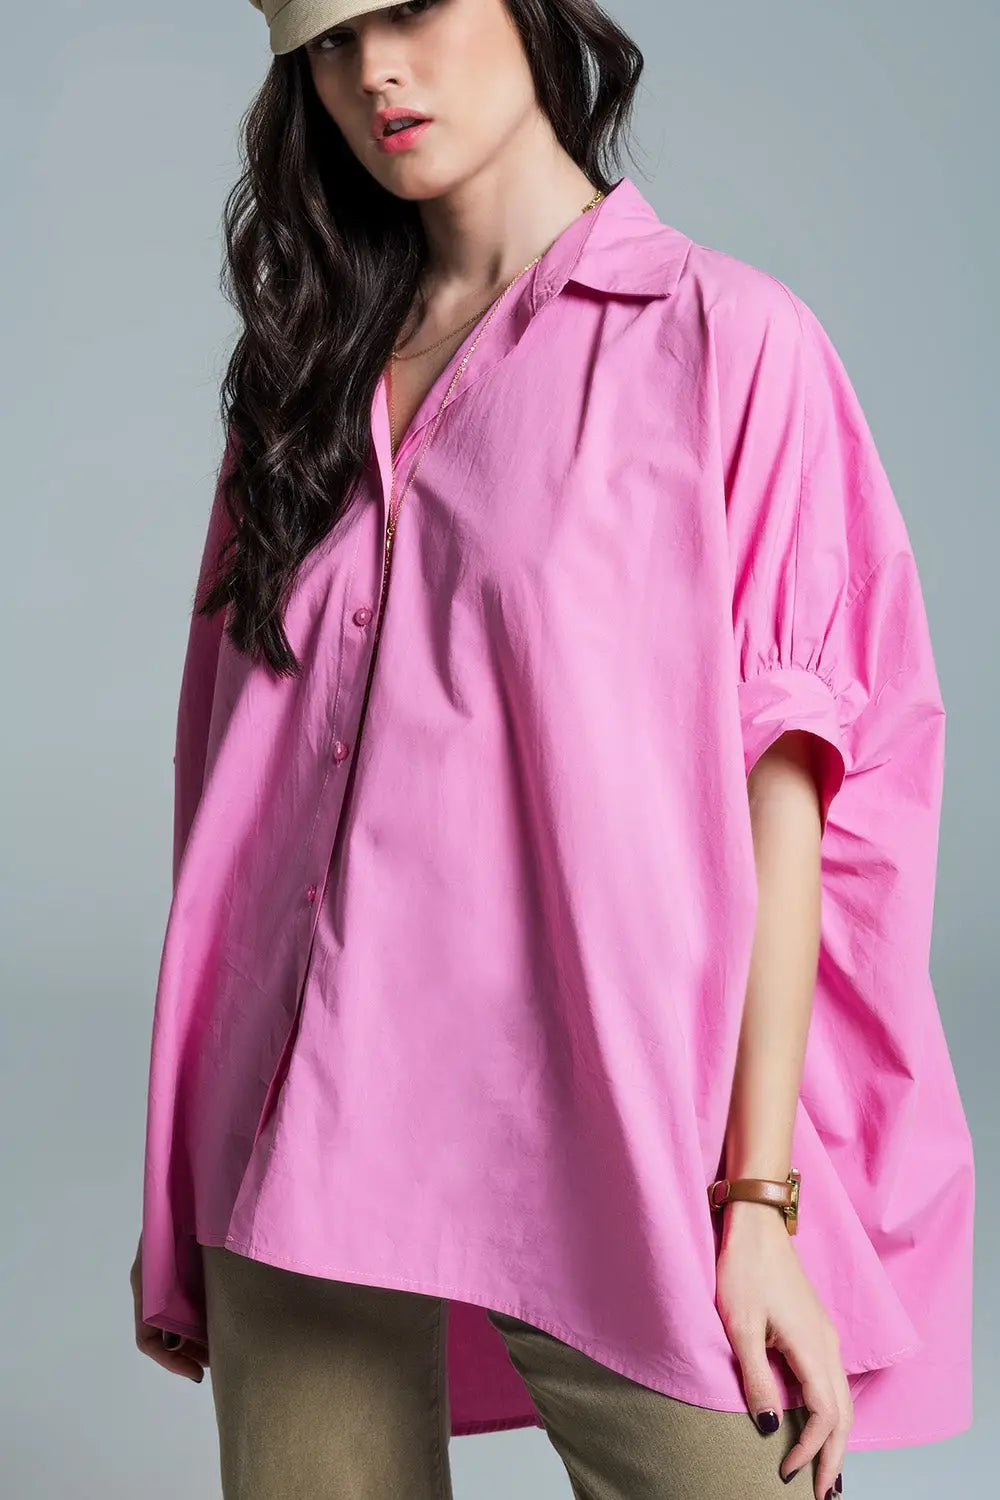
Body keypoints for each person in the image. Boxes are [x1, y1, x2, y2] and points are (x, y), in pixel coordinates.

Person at [129, 1, 975, 1497]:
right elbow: (230, 793)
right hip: (300, 1121)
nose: (375, 71)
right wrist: (187, 1161)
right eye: (328, 40)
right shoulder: (300, 381)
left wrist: (759, 1201)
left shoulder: (723, 340)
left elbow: (791, 804)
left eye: (410, 7)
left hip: (611, 1116)